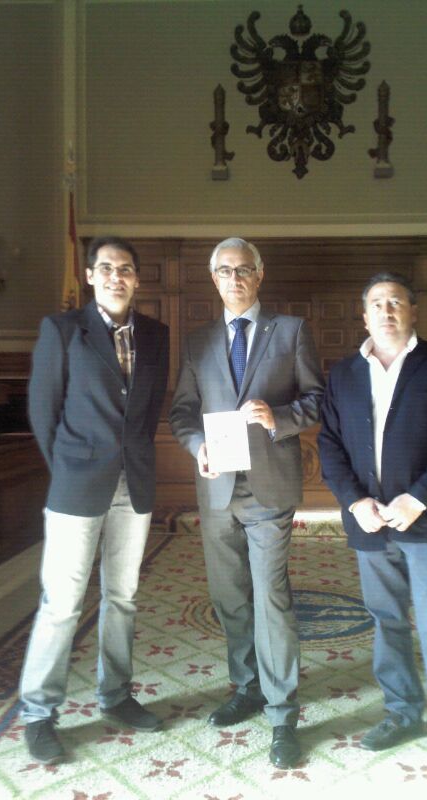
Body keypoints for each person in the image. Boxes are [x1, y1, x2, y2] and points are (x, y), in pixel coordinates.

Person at [169, 237, 324, 768]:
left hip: (269, 489)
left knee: (271, 596)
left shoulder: (291, 331)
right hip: (217, 489)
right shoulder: (198, 342)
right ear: (213, 278)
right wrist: (197, 446)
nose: (233, 278)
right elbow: (182, 412)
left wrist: (279, 417)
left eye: (243, 270)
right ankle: (248, 685)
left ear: (259, 275)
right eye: (224, 270)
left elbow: (317, 400)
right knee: (229, 596)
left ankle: (282, 713)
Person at [317, 272, 427, 778]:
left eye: (395, 302)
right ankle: (402, 713)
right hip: (371, 525)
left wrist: (418, 499)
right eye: (376, 303)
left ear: (413, 310)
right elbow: (329, 445)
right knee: (386, 622)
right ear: (363, 315)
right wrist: (354, 502)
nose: (386, 310)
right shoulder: (343, 374)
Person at [20, 236, 169, 764]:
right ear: (90, 276)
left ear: (136, 278)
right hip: (77, 481)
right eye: (106, 268)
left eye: (125, 269)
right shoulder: (62, 330)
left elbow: (150, 408)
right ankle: (39, 712)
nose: (115, 277)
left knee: (122, 596)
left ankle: (116, 695)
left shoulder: (156, 334)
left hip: (135, 481)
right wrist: (68, 466)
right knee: (62, 603)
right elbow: (44, 410)